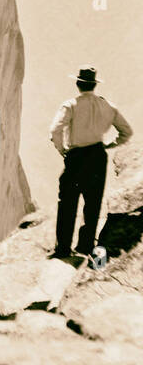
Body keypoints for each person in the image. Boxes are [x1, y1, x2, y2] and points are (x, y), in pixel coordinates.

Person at [49, 66, 132, 260]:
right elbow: (126, 132)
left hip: (76, 156)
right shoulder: (108, 106)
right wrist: (110, 145)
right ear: (94, 85)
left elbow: (55, 130)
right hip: (97, 155)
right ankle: (85, 246)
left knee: (68, 201)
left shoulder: (70, 105)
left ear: (78, 84)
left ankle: (63, 248)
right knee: (93, 203)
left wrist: (63, 150)